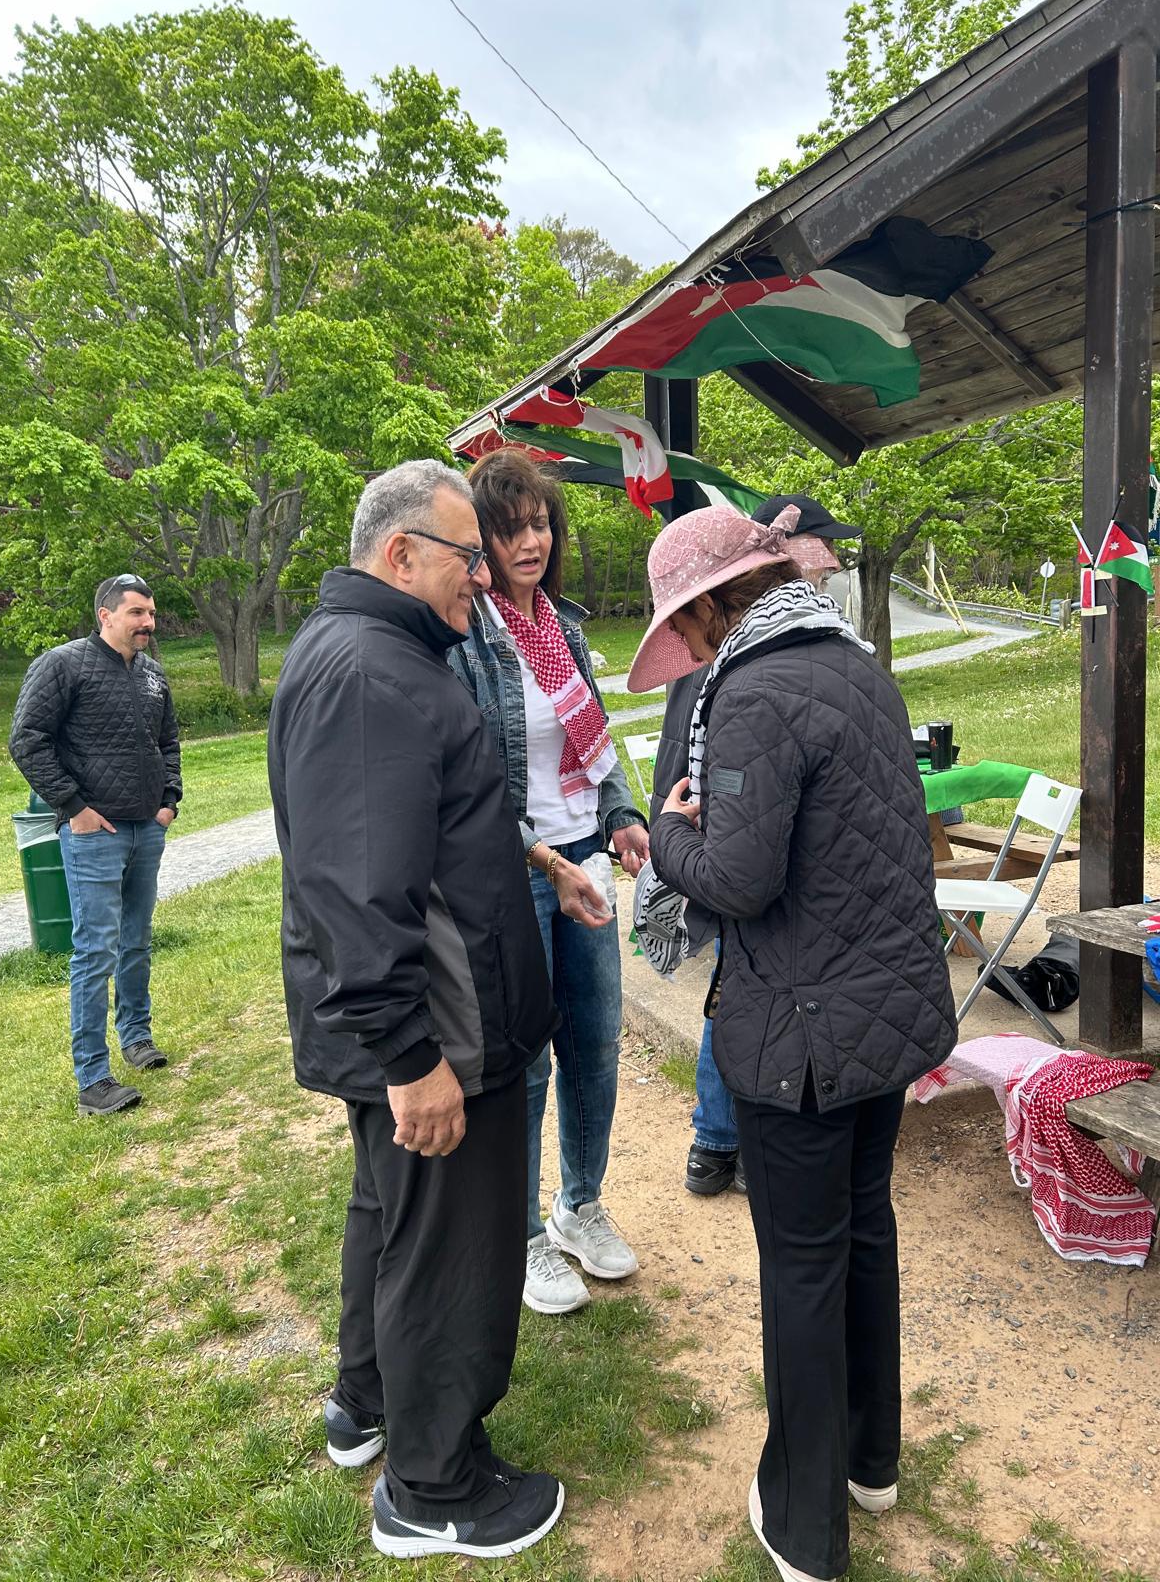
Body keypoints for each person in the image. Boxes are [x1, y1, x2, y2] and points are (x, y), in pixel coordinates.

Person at [631, 506, 956, 1582]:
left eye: (691, 621)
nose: (693, 645)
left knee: (803, 1268)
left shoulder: (757, 693)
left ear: (720, 602)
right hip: (879, 1020)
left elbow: (737, 877)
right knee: (866, 1233)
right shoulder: (858, 668)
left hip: (799, 1036)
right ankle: (871, 1460)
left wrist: (665, 827)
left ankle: (805, 1522)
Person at [267, 460, 565, 1562]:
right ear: (401, 554)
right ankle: (434, 1486)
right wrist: (411, 1055)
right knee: (449, 1250)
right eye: (467, 559)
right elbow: (357, 884)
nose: (483, 581)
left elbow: (419, 827)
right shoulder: (371, 673)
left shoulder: (384, 655)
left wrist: (535, 856)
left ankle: (368, 1403)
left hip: (430, 1020)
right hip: (438, 1031)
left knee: (389, 1219)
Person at [449, 449, 649, 1317]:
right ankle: (525, 1231)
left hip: (586, 858)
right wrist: (548, 855)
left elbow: (596, 743)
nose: (529, 541)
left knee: (596, 1041)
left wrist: (623, 816)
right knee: (526, 1054)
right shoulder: (469, 636)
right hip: (519, 868)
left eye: (540, 524)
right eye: (509, 527)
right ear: (481, 541)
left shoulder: (562, 627)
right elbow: (473, 780)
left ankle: (580, 1204)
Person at [647, 495, 861, 1197]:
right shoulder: (771, 668)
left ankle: (714, 1141)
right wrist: (671, 834)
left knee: (733, 988)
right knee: (731, 989)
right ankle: (714, 1138)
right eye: (814, 561)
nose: (821, 573)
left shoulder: (767, 658)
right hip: (725, 841)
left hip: (810, 978)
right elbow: (740, 865)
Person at [9, 574, 181, 1116]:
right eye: (136, 613)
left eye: (150, 614)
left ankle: (136, 1036)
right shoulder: (63, 665)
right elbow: (26, 739)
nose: (147, 624)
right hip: (94, 834)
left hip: (145, 828)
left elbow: (169, 741)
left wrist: (168, 800)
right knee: (96, 950)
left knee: (136, 940)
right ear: (105, 615)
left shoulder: (152, 674)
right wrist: (73, 807)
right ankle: (93, 1079)